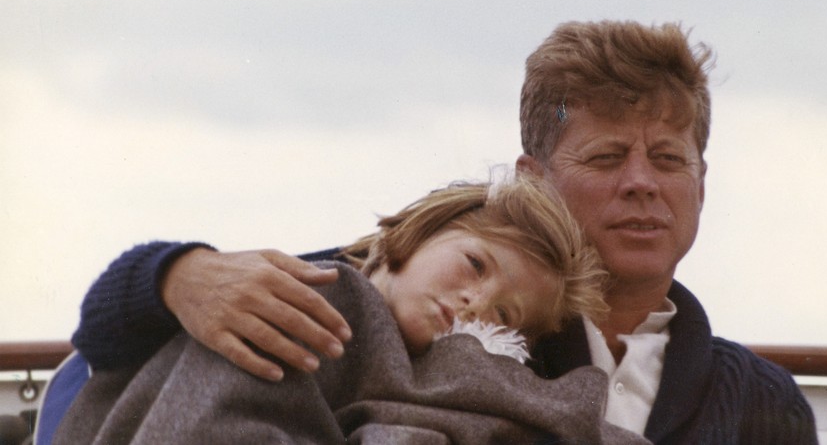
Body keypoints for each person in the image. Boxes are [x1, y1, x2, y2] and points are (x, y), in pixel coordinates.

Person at [64, 21, 817, 444]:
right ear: (532, 179)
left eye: (668, 159)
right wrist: (179, 275)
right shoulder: (421, 300)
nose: (642, 182)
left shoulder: (762, 403)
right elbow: (110, 333)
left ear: (702, 182)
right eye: (607, 155)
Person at [56, 177, 648, 444]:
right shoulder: (313, 293)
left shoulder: (460, 368)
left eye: (507, 316)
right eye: (474, 264)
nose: (478, 303)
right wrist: (175, 273)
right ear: (413, 236)